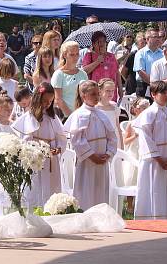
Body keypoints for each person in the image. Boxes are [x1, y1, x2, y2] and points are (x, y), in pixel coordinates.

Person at [131, 80, 167, 219]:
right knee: (153, 189)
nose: (166, 96)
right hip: (153, 160)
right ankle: (151, 218)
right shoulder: (148, 114)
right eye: (163, 93)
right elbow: (146, 138)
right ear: (153, 94)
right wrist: (158, 158)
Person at [64, 80, 117, 210]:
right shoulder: (78, 115)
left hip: (102, 161)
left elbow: (112, 137)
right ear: (83, 96)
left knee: (100, 190)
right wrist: (92, 156)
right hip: (87, 162)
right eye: (93, 94)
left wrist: (108, 153)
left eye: (97, 94)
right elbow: (77, 139)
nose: (96, 97)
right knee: (87, 191)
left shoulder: (102, 114)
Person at [12, 82, 66, 207]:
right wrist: (39, 151)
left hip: (52, 161)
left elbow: (61, 137)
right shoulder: (30, 117)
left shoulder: (53, 117)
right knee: (36, 188)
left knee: (52, 189)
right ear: (38, 98)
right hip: (37, 161)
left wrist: (58, 148)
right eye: (45, 101)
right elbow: (26, 140)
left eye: (50, 101)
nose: (48, 104)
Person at [51, 41, 88, 117]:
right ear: (65, 55)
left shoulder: (83, 74)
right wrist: (71, 117)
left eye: (77, 54)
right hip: (65, 116)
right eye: (72, 54)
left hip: (81, 115)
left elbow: (86, 96)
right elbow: (58, 99)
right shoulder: (58, 74)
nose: (75, 57)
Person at [83, 31, 121, 101]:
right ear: (93, 44)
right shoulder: (89, 56)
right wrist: (97, 62)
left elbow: (117, 73)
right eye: (99, 42)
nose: (102, 44)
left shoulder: (111, 56)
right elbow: (84, 71)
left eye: (104, 41)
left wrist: (120, 91)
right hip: (96, 93)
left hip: (111, 93)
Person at [131, 29, 164, 98]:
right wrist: (154, 84)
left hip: (161, 87)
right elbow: (141, 72)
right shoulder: (140, 53)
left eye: (159, 37)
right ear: (148, 39)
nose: (158, 39)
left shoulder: (162, 53)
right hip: (144, 87)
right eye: (155, 37)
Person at [96, 78, 123, 148]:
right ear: (100, 91)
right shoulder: (95, 108)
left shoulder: (114, 106)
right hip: (102, 140)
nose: (110, 93)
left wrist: (122, 146)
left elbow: (118, 127)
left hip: (115, 139)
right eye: (107, 91)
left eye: (112, 91)